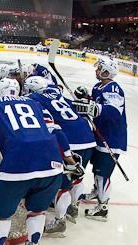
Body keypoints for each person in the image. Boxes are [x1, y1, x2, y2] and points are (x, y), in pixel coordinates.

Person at [0, 78, 83, 245]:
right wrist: (70, 160)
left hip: (16, 165)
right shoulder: (35, 103)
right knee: (37, 210)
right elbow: (57, 134)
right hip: (52, 164)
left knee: (2, 215)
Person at [25, 76, 96, 234]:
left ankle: (60, 221)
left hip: (69, 142)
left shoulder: (33, 98)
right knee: (77, 177)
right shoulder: (56, 92)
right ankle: (74, 207)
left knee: (63, 185)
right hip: (88, 137)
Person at [72, 57, 127, 221]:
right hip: (99, 135)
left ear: (106, 72)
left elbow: (114, 112)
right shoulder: (98, 86)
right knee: (97, 169)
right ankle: (97, 191)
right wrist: (85, 98)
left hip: (111, 139)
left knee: (103, 174)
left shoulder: (114, 89)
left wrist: (93, 107)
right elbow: (95, 103)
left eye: (99, 69)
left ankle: (103, 208)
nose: (96, 71)